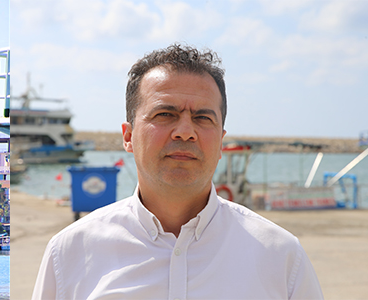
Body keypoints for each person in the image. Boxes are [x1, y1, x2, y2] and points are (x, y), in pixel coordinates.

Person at [32, 44, 323, 299]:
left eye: (202, 117)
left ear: (221, 140)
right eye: (165, 114)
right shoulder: (69, 254)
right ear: (128, 136)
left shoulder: (281, 256)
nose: (185, 132)